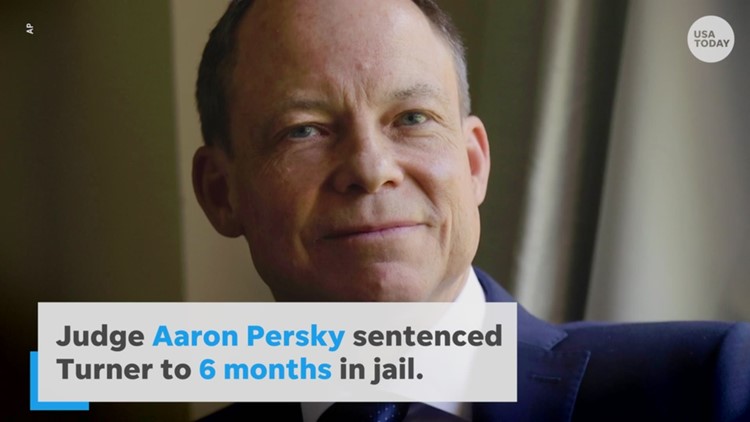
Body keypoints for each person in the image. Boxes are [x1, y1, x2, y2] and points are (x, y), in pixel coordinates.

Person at [191, 0, 750, 421]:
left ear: (474, 162)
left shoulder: (710, 385)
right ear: (220, 193)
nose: (371, 168)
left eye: (412, 118)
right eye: (304, 130)